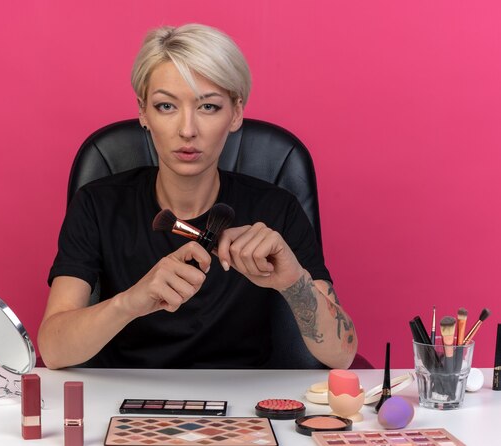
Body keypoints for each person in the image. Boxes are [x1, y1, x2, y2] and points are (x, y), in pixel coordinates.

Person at [38, 24, 357, 370]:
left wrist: (294, 280)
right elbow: (54, 350)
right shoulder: (97, 205)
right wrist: (130, 302)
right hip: (124, 399)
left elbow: (342, 355)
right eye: (165, 106)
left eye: (208, 107)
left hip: (247, 404)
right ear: (143, 112)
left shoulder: (277, 208)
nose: (187, 129)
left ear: (235, 113)